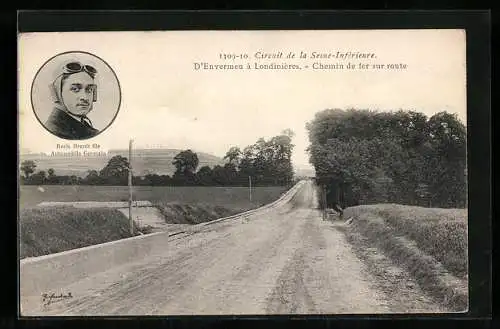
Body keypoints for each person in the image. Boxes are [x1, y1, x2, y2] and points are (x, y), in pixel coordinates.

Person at [44, 61, 100, 140]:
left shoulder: (84, 126)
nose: (85, 97)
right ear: (57, 93)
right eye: (75, 89)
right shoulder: (56, 131)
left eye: (89, 90)